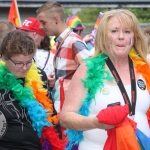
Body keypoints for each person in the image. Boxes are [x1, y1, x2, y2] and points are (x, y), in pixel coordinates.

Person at [60, 9, 150, 150]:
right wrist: (96, 123)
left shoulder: (145, 69)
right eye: (114, 31)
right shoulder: (87, 69)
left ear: (134, 36)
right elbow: (65, 117)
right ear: (103, 36)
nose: (121, 37)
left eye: (127, 32)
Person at [0, 30, 63, 150]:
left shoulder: (39, 75)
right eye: (18, 63)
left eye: (29, 62)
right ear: (4, 57)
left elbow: (50, 113)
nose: (24, 68)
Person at [36, 1, 90, 112]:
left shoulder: (73, 41)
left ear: (56, 19)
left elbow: (91, 71)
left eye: (43, 22)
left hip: (69, 107)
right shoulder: (63, 41)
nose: (40, 27)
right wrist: (56, 80)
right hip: (63, 104)